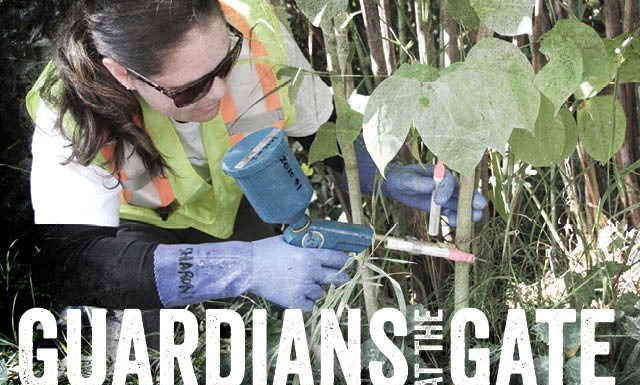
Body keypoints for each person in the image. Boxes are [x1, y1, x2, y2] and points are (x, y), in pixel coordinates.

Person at [27, 0, 485, 324]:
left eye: (225, 63)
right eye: (189, 89)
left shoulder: (251, 27)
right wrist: (243, 266)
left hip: (244, 203)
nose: (222, 92)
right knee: (140, 341)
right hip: (140, 233)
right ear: (123, 74)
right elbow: (74, 264)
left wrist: (389, 177)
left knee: (281, 320)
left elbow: (318, 128)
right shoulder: (70, 110)